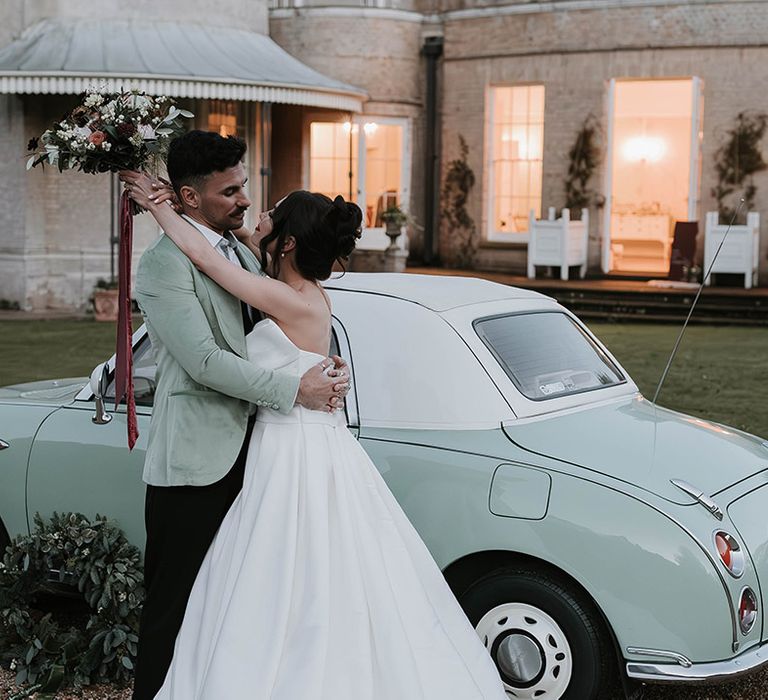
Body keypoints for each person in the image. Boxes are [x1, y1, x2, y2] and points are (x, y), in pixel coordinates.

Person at [121, 171, 508, 699]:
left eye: (271, 214)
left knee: (282, 570)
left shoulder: (293, 298)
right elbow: (226, 251)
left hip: (291, 448)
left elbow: (209, 262)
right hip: (292, 439)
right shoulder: (294, 289)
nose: (257, 214)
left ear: (289, 242)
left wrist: (158, 208)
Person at [126, 130, 349, 700]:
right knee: (175, 610)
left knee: (235, 611)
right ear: (190, 197)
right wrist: (294, 387)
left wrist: (317, 370)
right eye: (231, 191)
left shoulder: (249, 252)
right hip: (198, 464)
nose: (246, 201)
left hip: (263, 463)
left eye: (246, 187)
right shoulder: (161, 267)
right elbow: (203, 361)